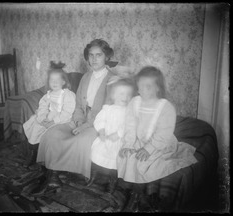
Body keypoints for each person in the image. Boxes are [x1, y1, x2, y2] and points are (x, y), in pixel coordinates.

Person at [31, 39, 115, 195]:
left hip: (99, 123)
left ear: (107, 57)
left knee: (81, 139)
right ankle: (53, 177)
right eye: (91, 55)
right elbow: (77, 104)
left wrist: (85, 125)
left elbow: (107, 110)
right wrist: (78, 120)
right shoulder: (86, 77)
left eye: (99, 55)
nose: (94, 59)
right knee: (52, 134)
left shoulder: (112, 79)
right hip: (80, 117)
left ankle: (65, 175)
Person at [117, 66, 198, 209]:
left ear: (158, 88)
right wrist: (128, 144)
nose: (142, 90)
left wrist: (149, 148)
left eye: (147, 87)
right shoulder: (135, 102)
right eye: (140, 86)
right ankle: (135, 192)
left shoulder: (165, 107)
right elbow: (129, 126)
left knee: (146, 161)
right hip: (138, 140)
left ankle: (141, 194)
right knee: (128, 155)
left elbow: (164, 133)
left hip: (159, 143)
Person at [22, 61, 76, 168]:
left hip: (62, 120)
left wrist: (54, 121)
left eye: (57, 80)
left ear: (63, 81)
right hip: (48, 117)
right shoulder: (48, 95)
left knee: (51, 132)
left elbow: (67, 112)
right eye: (52, 80)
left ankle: (48, 157)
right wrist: (43, 118)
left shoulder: (67, 95)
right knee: (36, 126)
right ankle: (32, 153)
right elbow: (42, 107)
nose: (54, 83)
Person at [86, 78, 134, 195]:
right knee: (96, 153)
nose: (125, 97)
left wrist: (118, 134)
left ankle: (112, 183)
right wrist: (101, 130)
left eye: (128, 94)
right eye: (121, 94)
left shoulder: (129, 112)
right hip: (105, 138)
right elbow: (99, 120)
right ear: (113, 95)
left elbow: (129, 126)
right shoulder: (107, 109)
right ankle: (94, 176)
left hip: (118, 141)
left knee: (115, 163)